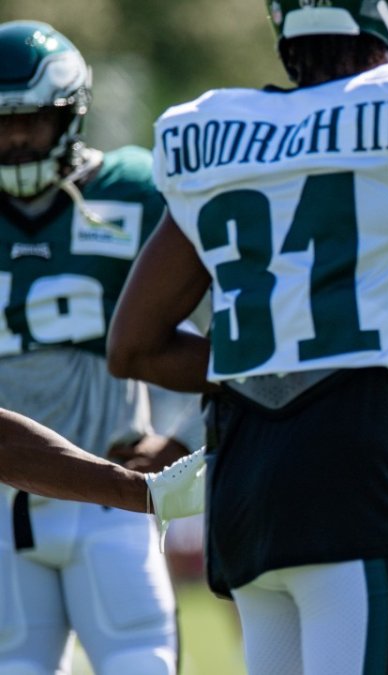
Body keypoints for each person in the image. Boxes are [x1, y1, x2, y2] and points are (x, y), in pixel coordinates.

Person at [105, 1, 388, 673]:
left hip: (245, 500)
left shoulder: (213, 129)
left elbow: (134, 345)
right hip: (361, 487)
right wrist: (383, 342)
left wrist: (274, 349)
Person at [0, 20, 199, 674]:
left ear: (73, 115)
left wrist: (177, 436)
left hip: (111, 486)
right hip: (2, 501)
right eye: (3, 122)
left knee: (140, 661)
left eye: (34, 119)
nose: (17, 137)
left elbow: (228, 326)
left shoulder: (133, 191)